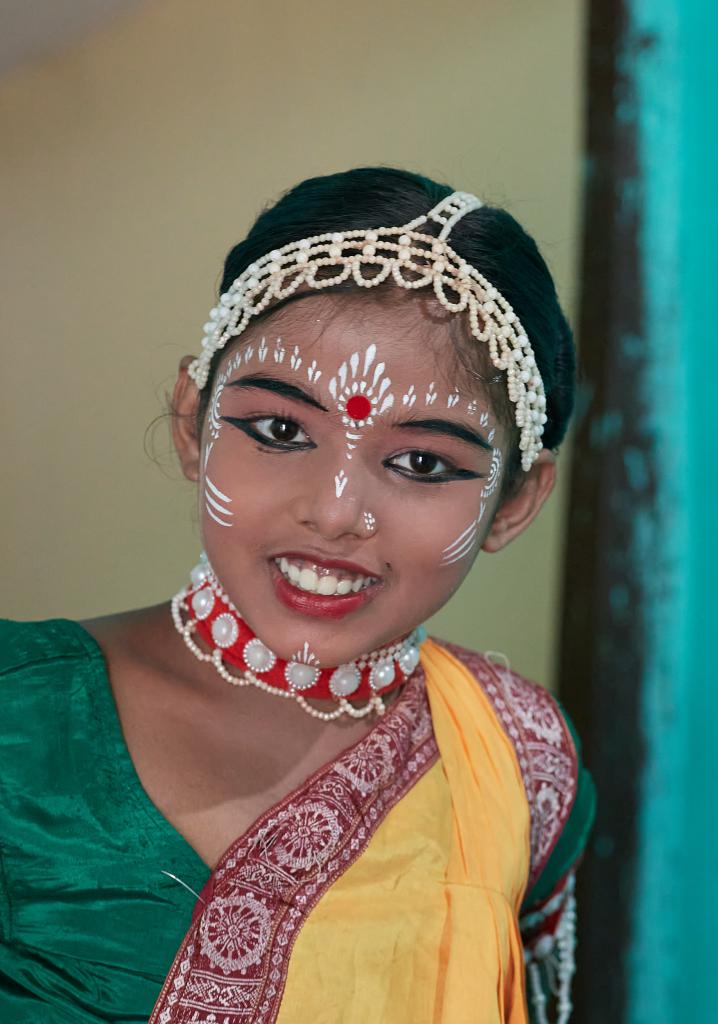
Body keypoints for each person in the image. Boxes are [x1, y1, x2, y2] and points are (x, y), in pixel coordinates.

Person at [0, 168, 596, 1024]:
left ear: (513, 501)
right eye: (281, 431)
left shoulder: (520, 764)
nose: (333, 511)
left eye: (421, 463)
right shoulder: (18, 714)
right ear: (191, 423)